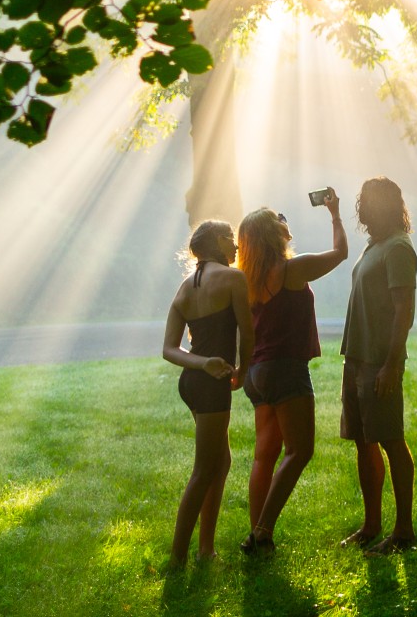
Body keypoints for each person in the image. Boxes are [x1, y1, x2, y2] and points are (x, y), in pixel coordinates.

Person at [237, 191, 347, 553]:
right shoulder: (289, 270)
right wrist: (334, 214)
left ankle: (256, 533)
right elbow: (340, 254)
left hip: (257, 372)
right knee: (299, 451)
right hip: (285, 369)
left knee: (263, 455)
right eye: (279, 219)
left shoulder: (246, 280)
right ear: (274, 234)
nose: (286, 222)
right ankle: (263, 531)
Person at [161, 219, 252, 565]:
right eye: (230, 238)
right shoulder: (233, 278)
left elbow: (169, 350)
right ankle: (178, 559)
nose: (237, 245)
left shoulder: (184, 288)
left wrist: (199, 363)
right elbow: (247, 330)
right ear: (216, 240)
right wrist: (238, 367)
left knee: (221, 461)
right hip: (211, 386)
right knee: (204, 470)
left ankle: (206, 550)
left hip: (191, 382)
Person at [338, 175, 417, 554]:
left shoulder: (399, 249)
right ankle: (371, 525)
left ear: (385, 205)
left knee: (391, 441)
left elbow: (404, 311)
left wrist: (391, 365)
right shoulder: (374, 247)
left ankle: (403, 531)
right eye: (361, 202)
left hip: (379, 363)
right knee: (363, 442)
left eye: (369, 202)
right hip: (356, 360)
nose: (363, 209)